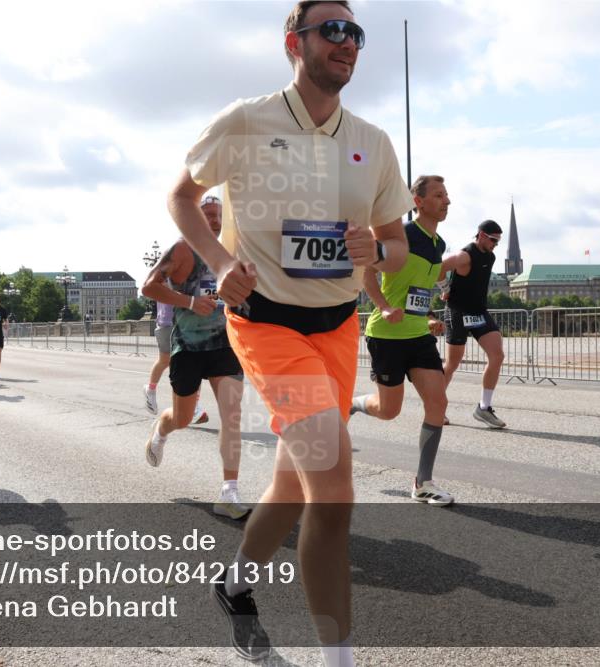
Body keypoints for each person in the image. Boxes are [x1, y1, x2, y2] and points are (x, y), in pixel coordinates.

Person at [169, 2, 412, 662]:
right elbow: (182, 197)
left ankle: (234, 579)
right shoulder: (246, 121)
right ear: (293, 43)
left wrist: (375, 252)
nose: (347, 42)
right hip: (267, 325)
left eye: (355, 33)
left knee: (293, 482)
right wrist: (220, 264)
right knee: (332, 485)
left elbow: (396, 246)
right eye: (331, 29)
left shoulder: (375, 141)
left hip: (337, 330)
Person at [142, 195, 249, 520]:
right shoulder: (181, 249)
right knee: (184, 418)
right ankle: (162, 429)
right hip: (187, 347)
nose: (216, 222)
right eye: (209, 216)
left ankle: (229, 491)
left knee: (231, 415)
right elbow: (149, 287)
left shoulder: (231, 249)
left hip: (224, 344)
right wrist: (189, 302)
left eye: (219, 216)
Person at [350, 175, 453, 505]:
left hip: (418, 336)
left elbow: (418, 292)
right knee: (388, 410)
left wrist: (428, 316)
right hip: (386, 335)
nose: (446, 201)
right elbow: (366, 269)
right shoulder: (401, 236)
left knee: (438, 402)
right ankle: (353, 404)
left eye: (447, 195)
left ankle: (423, 482)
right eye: (439, 195)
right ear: (417, 202)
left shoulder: (438, 245)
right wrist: (383, 305)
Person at [441, 219, 507, 428]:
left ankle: (483, 408)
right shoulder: (464, 256)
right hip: (458, 311)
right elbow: (439, 268)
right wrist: (445, 288)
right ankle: (435, 406)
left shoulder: (491, 256)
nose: (495, 244)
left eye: (497, 241)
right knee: (452, 363)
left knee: (497, 355)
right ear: (480, 235)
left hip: (478, 312)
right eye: (492, 240)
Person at [143, 300, 208, 424]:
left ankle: (194, 405)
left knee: (192, 362)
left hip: (186, 323)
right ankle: (150, 390)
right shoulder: (166, 280)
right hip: (167, 323)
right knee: (165, 360)